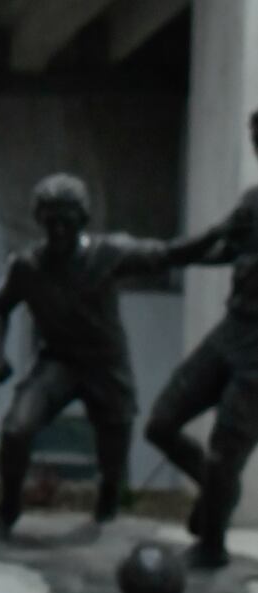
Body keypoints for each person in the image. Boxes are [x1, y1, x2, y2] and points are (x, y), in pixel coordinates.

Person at [0, 172, 228, 542]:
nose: (59, 229)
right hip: (57, 363)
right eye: (51, 220)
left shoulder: (108, 253)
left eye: (67, 220)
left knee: (113, 461)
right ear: (39, 220)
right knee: (17, 429)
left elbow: (169, 254)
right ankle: (8, 508)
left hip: (105, 366)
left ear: (82, 219)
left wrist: (219, 234)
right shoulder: (27, 267)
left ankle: (107, 507)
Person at [143, 109, 258, 569]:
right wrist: (160, 256)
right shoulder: (254, 202)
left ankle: (212, 545)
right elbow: (218, 244)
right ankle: (214, 498)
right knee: (161, 424)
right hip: (232, 331)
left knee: (223, 456)